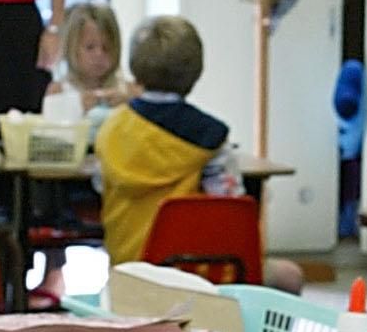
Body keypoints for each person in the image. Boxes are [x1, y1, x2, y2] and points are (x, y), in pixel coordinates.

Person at [91, 16, 303, 294]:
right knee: (290, 276)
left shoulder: (110, 129)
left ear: (135, 68)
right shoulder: (210, 138)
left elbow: (98, 184)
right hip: (202, 273)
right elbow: (230, 208)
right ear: (195, 73)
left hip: (130, 274)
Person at [47, 1, 134, 118]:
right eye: (90, 47)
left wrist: (129, 105)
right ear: (71, 47)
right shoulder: (58, 91)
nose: (99, 54)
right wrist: (75, 106)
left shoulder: (126, 90)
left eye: (106, 48)